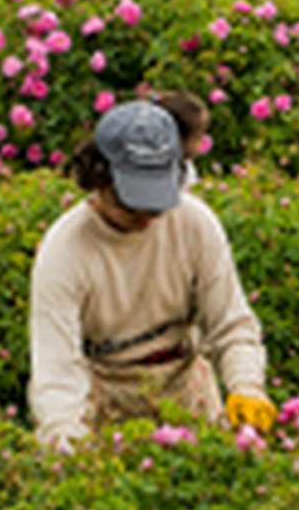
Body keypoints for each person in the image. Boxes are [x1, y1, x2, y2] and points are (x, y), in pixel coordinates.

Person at [27, 93, 276, 447]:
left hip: (186, 395)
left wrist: (246, 385)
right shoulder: (66, 250)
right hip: (105, 406)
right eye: (132, 204)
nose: (148, 216)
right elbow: (57, 373)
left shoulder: (194, 223)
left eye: (157, 202)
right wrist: (71, 453)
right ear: (99, 181)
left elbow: (230, 324)